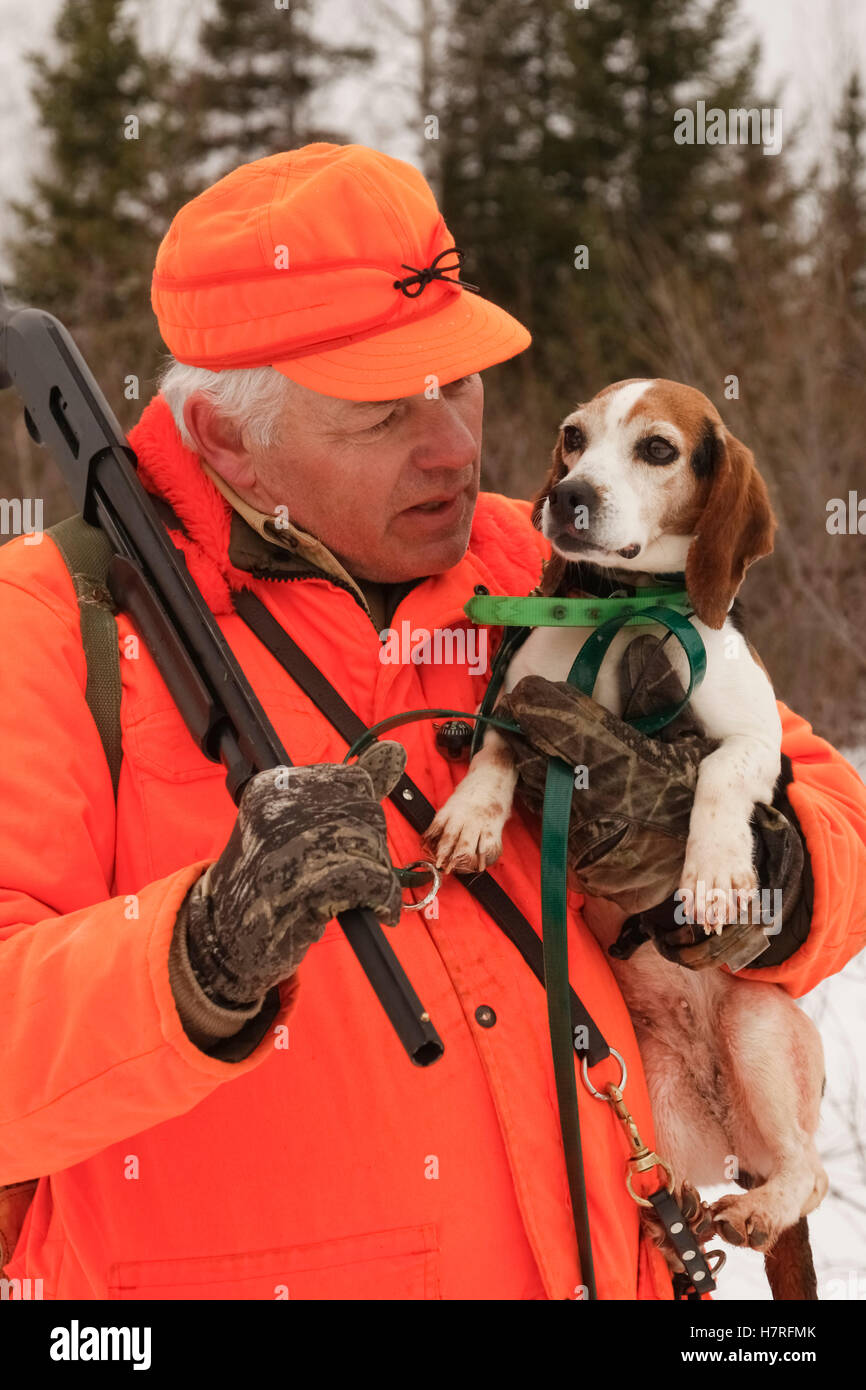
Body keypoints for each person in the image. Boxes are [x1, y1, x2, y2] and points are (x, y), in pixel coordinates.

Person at [1, 143, 864, 1301]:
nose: (454, 446)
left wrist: (747, 868)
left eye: (457, 383)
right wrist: (195, 955)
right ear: (223, 436)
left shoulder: (551, 563)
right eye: (380, 412)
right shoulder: (49, 628)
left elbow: (840, 839)